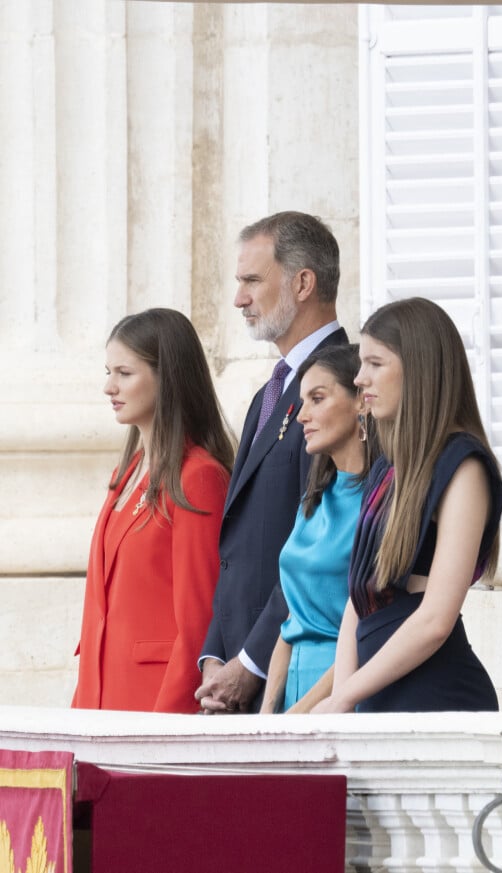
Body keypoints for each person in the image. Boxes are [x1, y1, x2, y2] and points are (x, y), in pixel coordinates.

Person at [312, 297, 502, 714]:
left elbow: (436, 620)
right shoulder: (387, 467)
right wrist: (343, 698)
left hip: (437, 699)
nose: (360, 378)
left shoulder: (463, 465)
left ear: (419, 369)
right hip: (376, 697)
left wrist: (344, 696)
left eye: (375, 363)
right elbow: (358, 593)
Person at [196, 211, 348, 714]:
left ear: (303, 282)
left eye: (252, 280)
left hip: (292, 675)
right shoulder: (270, 391)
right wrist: (215, 654)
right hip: (237, 672)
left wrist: (253, 661)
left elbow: (320, 542)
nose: (239, 298)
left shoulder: (342, 389)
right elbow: (238, 543)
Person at [72, 308, 235, 713]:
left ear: (168, 378)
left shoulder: (198, 477)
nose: (109, 387)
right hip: (101, 701)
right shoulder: (124, 473)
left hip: (155, 705)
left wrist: (166, 724)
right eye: (108, 372)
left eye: (124, 373)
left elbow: (198, 619)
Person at [260, 344, 379, 714]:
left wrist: (304, 713)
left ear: (361, 401)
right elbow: (291, 624)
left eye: (317, 398)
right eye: (302, 401)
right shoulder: (314, 499)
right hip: (292, 694)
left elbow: (365, 630)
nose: (301, 416)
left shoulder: (381, 501)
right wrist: (267, 714)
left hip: (344, 692)